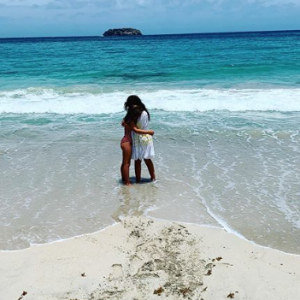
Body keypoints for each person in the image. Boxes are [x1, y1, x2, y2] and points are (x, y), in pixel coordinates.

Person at [124, 95, 156, 183]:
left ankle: (138, 180)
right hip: (146, 138)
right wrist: (149, 132)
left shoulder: (133, 114)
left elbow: (135, 129)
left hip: (137, 139)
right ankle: (153, 177)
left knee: (138, 161)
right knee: (147, 159)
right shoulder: (145, 112)